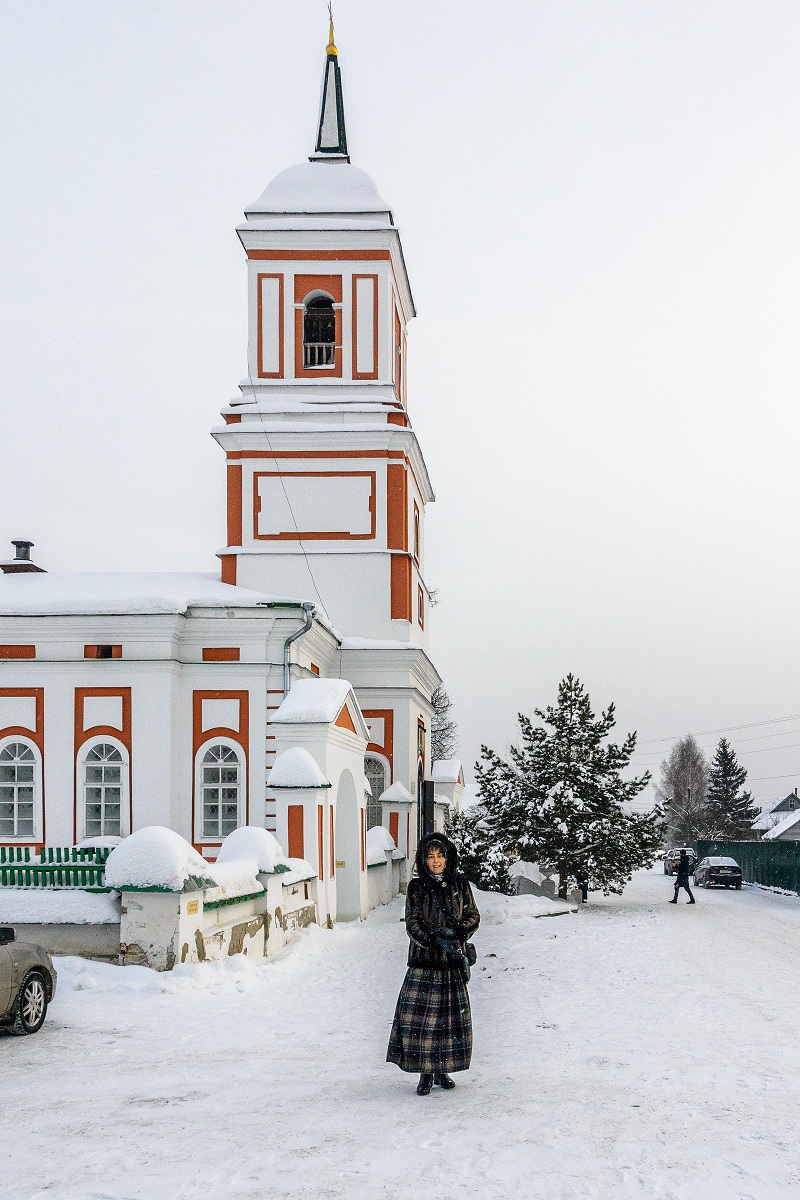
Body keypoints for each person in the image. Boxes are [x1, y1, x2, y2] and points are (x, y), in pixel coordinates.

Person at [387, 832, 480, 1095]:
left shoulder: (460, 884)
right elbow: (412, 922)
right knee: (421, 1022)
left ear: (448, 857)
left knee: (448, 1022)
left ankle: (442, 1070)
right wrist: (431, 939)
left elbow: (473, 915)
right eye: (430, 856)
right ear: (423, 860)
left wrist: (458, 933)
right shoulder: (416, 888)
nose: (436, 861)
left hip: (451, 961)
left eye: (440, 856)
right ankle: (425, 1073)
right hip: (424, 963)